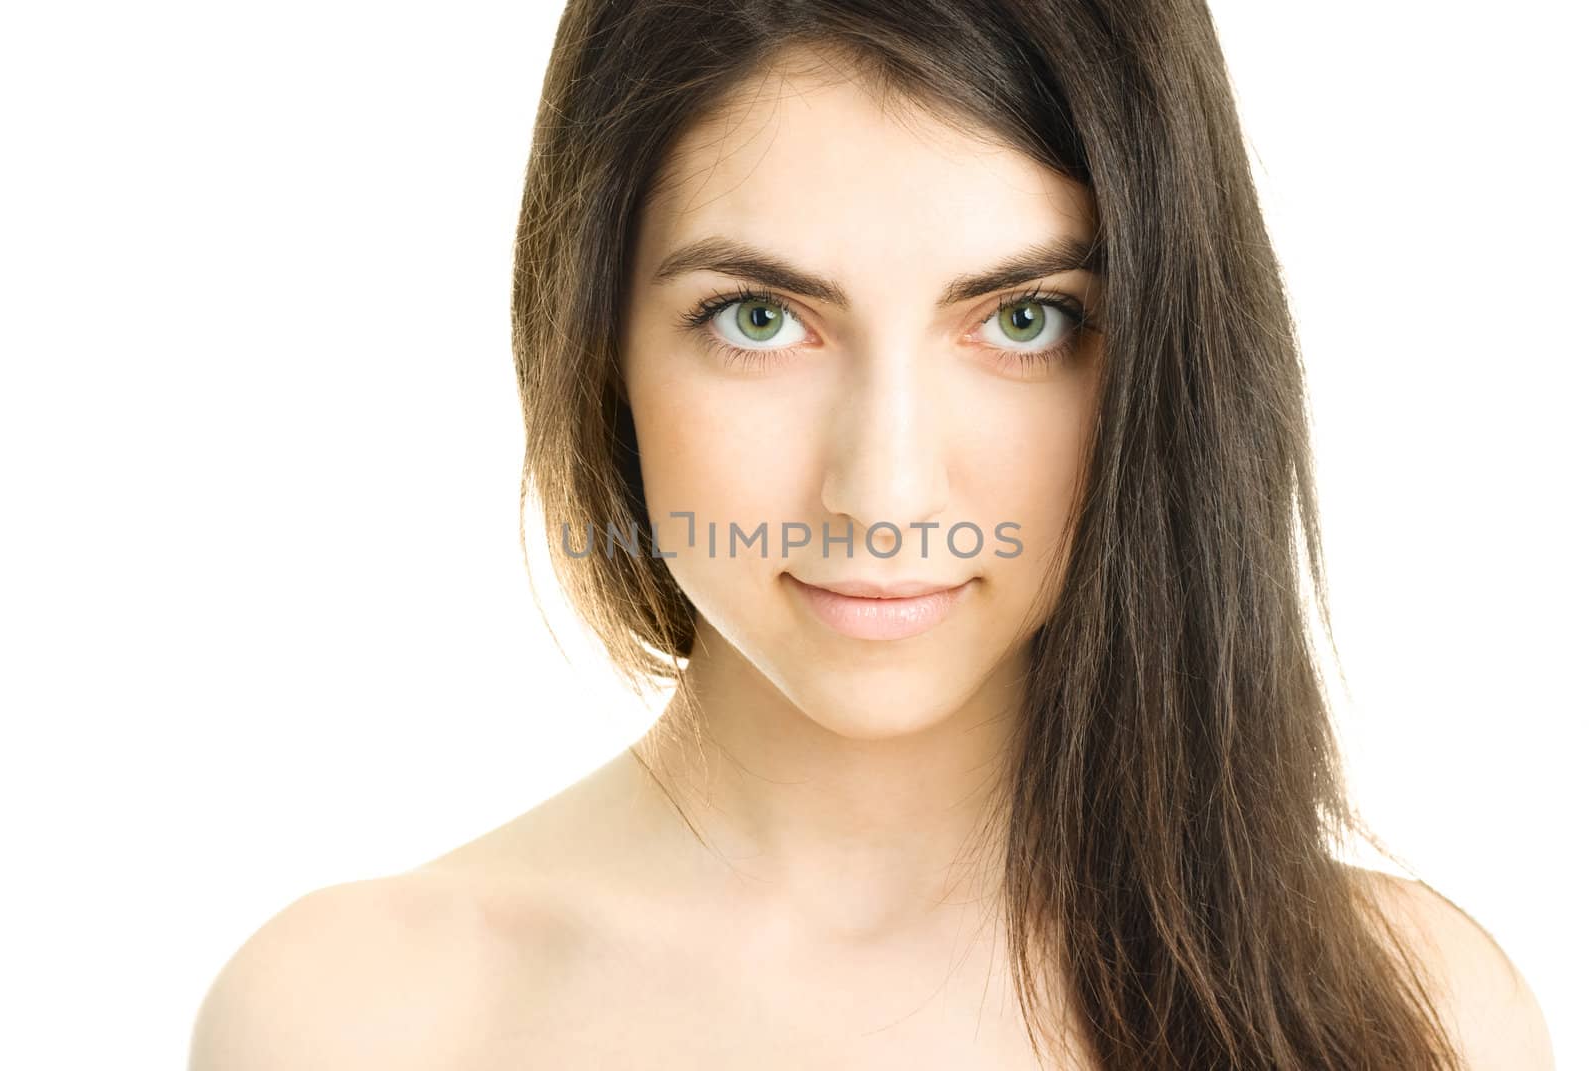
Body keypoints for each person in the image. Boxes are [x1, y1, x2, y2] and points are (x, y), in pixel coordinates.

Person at [188, 1, 1554, 1067]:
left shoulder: (1414, 1020)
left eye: (1023, 320)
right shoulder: (353, 1024)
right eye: (762, 318)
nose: (884, 492)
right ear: (599, 344)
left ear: (1163, 359)